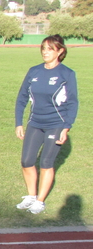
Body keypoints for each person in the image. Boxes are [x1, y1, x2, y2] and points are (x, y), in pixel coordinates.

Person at [14, 34, 78, 214]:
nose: (45, 52)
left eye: (50, 49)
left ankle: (40, 201)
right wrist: (19, 123)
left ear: (60, 51)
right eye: (43, 48)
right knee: (26, 161)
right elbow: (22, 98)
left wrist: (66, 127)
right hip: (35, 123)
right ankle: (31, 196)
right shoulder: (34, 71)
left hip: (56, 124)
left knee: (46, 162)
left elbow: (73, 102)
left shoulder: (67, 74)